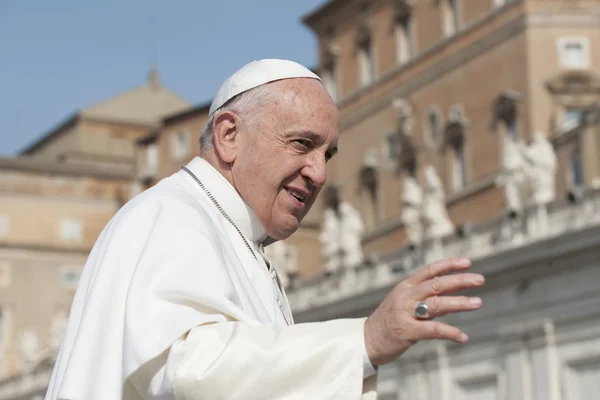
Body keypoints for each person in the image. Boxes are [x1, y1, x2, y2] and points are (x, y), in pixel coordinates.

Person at [45, 59, 484, 400]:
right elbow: (191, 370)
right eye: (301, 144)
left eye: (327, 155)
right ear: (229, 135)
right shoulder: (170, 215)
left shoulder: (230, 232)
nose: (319, 173)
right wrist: (365, 340)